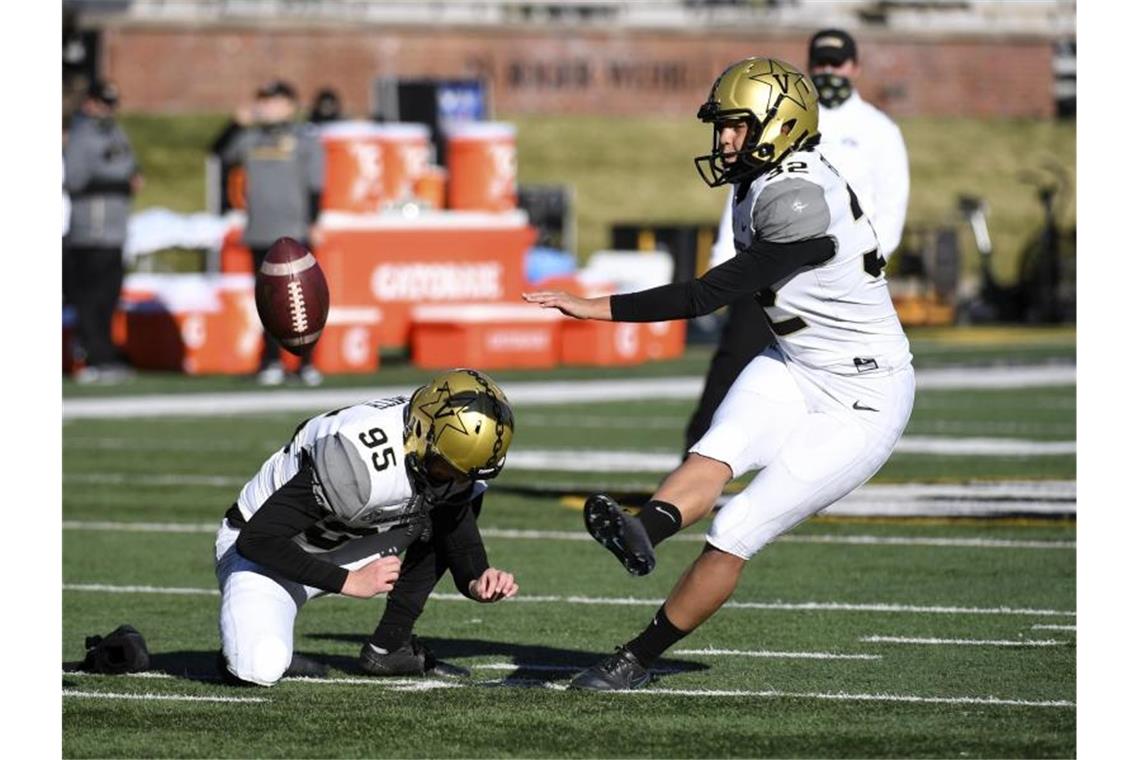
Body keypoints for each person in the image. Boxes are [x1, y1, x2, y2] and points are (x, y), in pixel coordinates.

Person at [524, 57, 915, 690]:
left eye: (736, 125)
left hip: (862, 394)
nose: (724, 139)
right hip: (796, 361)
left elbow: (708, 296)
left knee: (735, 528)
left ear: (780, 125)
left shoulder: (798, 198)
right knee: (715, 450)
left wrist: (594, 307)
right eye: (721, 125)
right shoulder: (764, 178)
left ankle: (636, 659)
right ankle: (642, 531)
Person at [215, 368, 519, 686]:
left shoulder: (452, 455)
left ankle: (390, 646)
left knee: (436, 508)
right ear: (420, 430)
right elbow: (257, 539)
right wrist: (350, 581)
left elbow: (455, 526)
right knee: (258, 666)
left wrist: (476, 577)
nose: (455, 479)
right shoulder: (359, 460)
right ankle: (250, 646)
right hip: (264, 552)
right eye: (445, 467)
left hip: (349, 538)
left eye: (464, 472)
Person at [683, 28, 910, 449]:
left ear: (854, 67)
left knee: (830, 382)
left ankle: (814, 468)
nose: (828, 71)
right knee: (732, 367)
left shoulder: (879, 130)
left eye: (836, 62)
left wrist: (864, 265)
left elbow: (891, 207)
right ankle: (697, 464)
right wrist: (723, 259)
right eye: (820, 62)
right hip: (768, 265)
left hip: (834, 277)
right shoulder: (776, 118)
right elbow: (747, 190)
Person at [217, 80, 326, 386]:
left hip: (294, 229)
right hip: (260, 229)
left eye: (273, 101)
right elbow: (219, 153)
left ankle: (305, 363)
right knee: (269, 303)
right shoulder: (250, 138)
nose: (266, 107)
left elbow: (316, 184)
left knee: (302, 300)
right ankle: (270, 361)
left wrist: (314, 220)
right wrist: (233, 125)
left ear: (290, 105)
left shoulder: (304, 139)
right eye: (263, 101)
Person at [63, 79, 142, 384]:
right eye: (102, 103)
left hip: (115, 229)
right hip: (89, 230)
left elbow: (130, 167)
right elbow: (75, 180)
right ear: (89, 103)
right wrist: (121, 183)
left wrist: (129, 179)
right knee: (90, 298)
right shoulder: (82, 136)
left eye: (111, 103)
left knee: (108, 297)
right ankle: (92, 355)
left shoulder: (116, 132)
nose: (107, 109)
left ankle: (105, 353)